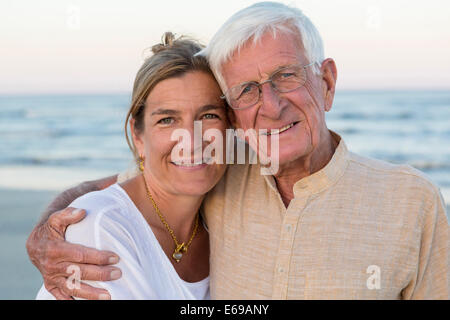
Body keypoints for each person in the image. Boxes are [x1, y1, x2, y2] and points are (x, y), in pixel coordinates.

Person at [27, 2, 449, 299]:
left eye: (286, 75)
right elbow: (119, 193)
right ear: (234, 113)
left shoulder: (412, 201)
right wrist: (48, 231)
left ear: (327, 82)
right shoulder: (219, 167)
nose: (271, 105)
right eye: (246, 90)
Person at [35, 32, 229, 299]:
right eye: (167, 120)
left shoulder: (221, 227)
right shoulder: (100, 226)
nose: (192, 141)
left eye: (209, 115)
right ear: (138, 136)